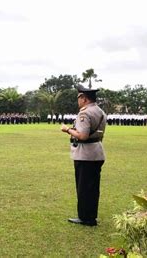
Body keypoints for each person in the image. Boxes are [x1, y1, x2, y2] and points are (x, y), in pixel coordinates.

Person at [61, 86, 106, 227]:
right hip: (97, 152)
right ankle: (91, 216)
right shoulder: (100, 111)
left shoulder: (85, 113)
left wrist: (67, 129)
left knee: (83, 188)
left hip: (85, 155)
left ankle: (85, 218)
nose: (78, 101)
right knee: (93, 188)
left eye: (79, 98)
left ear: (84, 98)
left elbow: (83, 136)